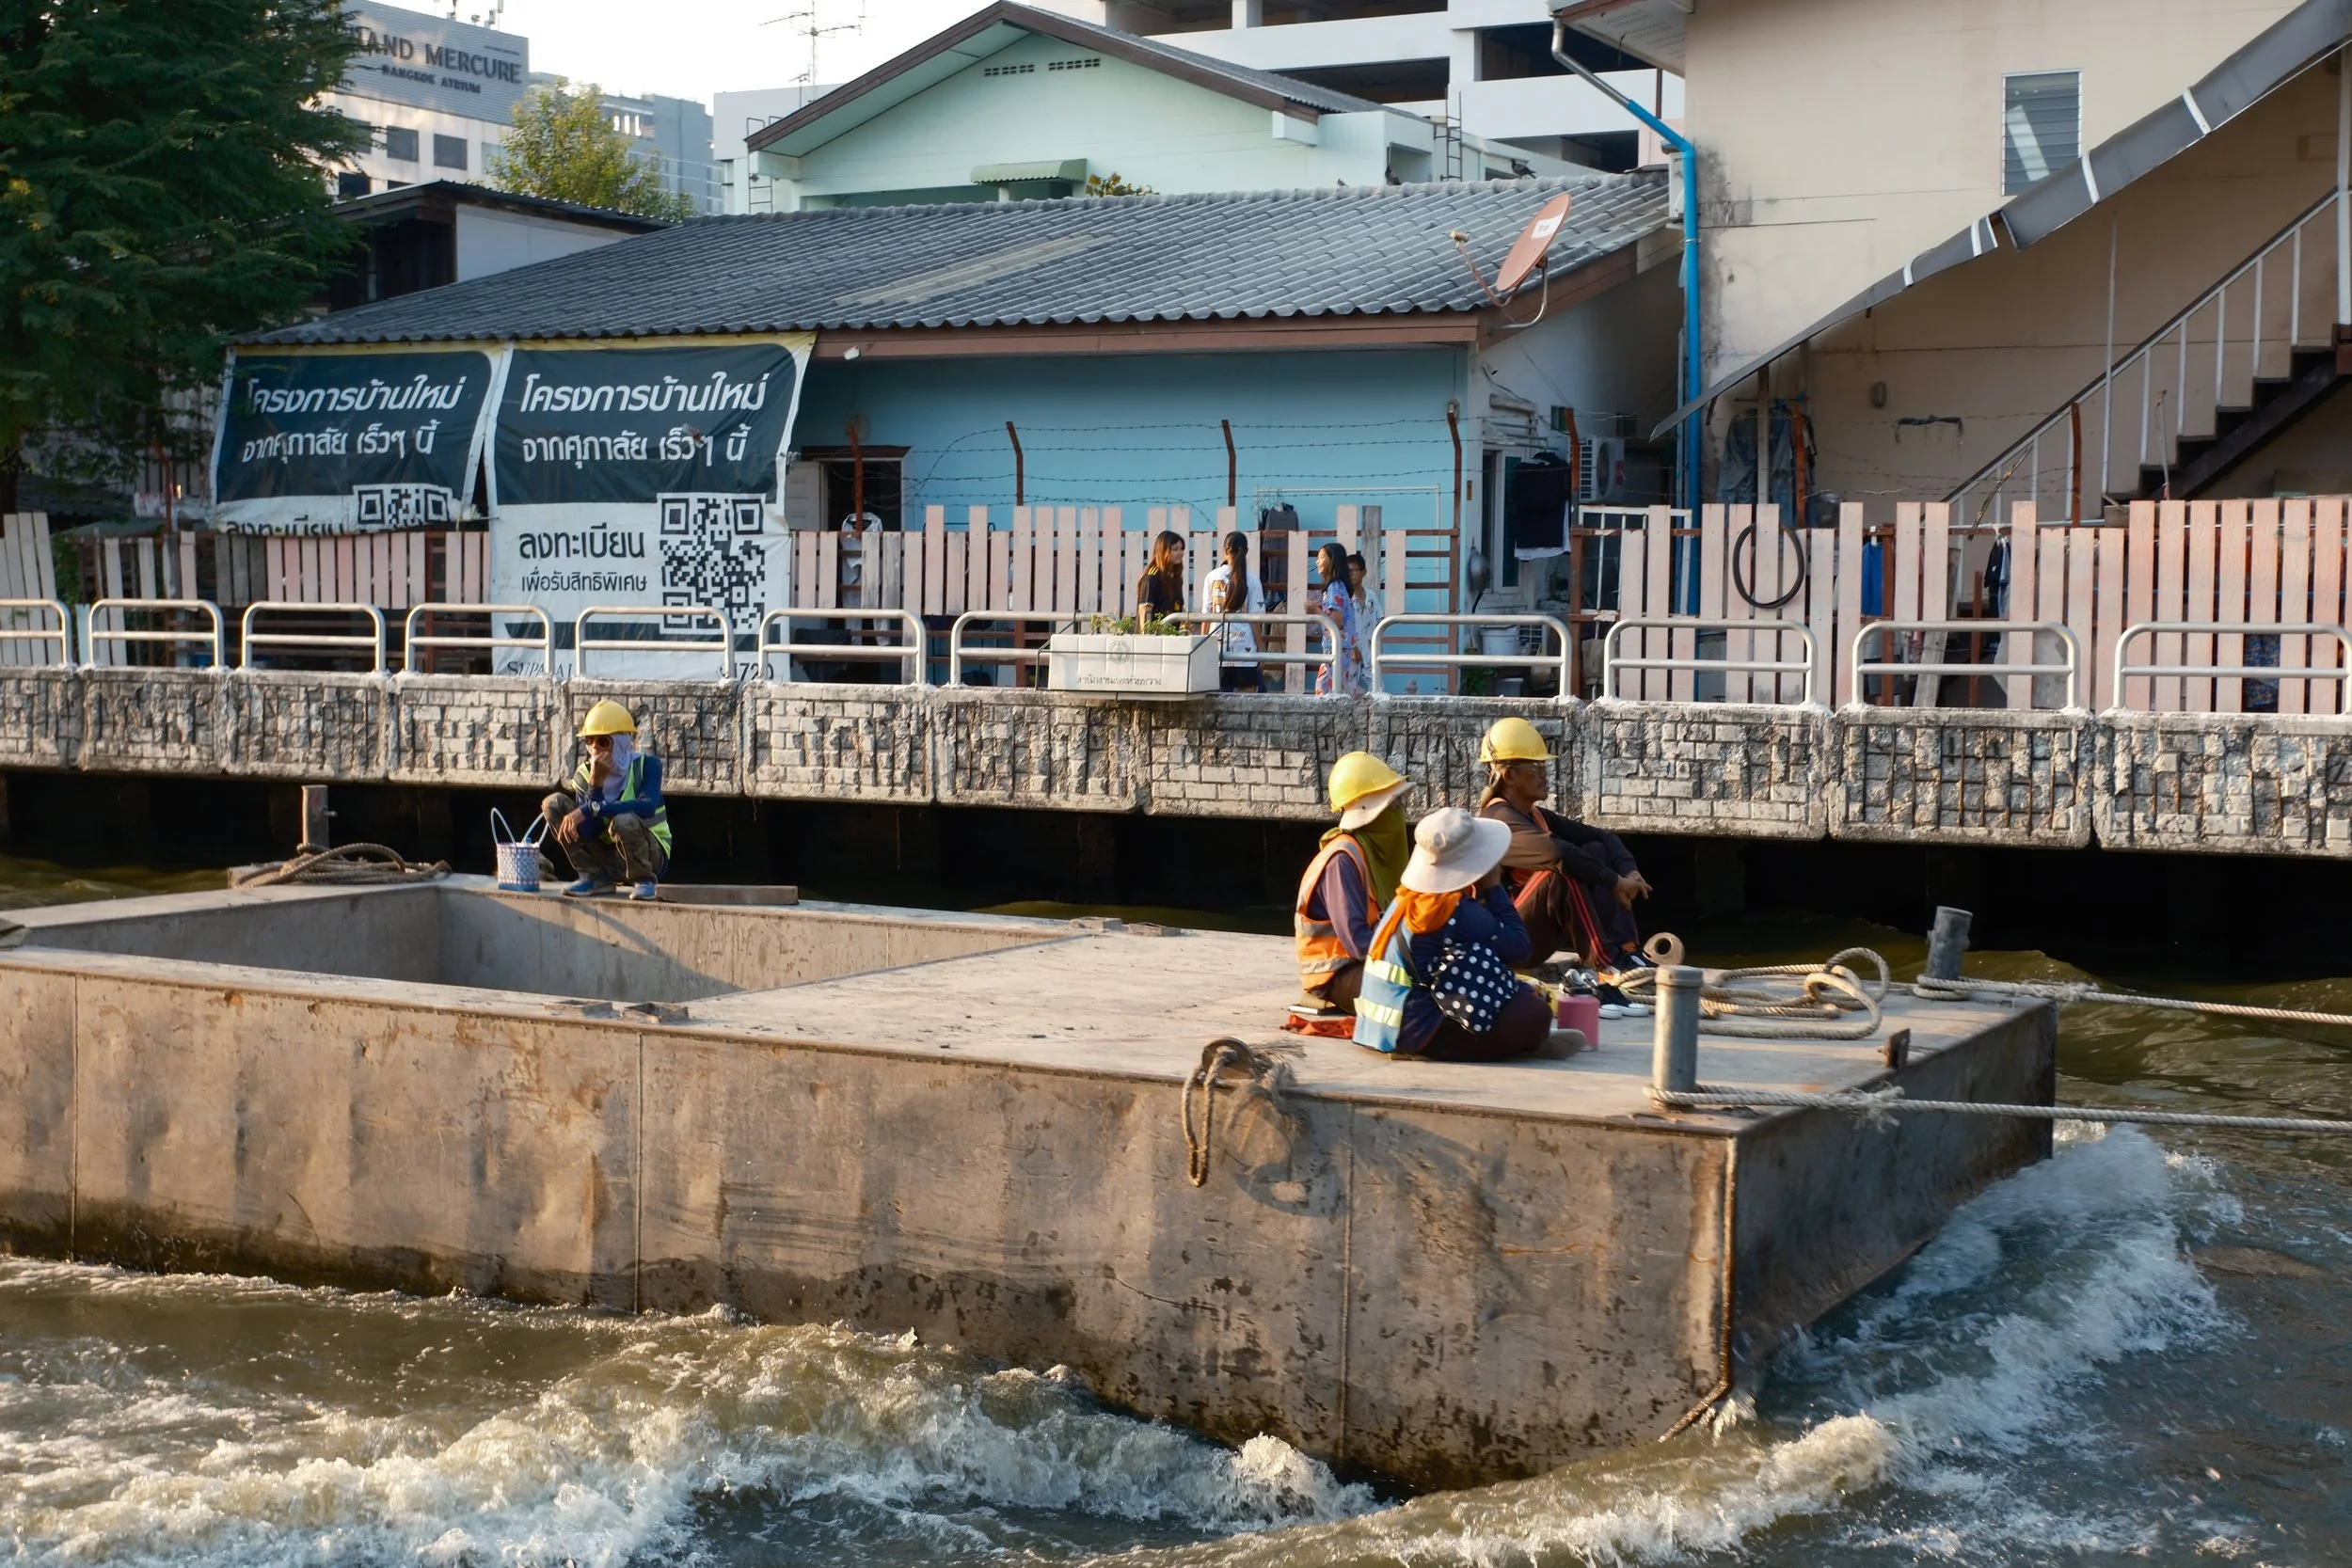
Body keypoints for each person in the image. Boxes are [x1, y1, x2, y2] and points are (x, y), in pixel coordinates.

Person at [1352, 807, 1561, 1060]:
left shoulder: (1405, 898)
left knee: (1518, 990)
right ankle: (1520, 1044)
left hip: (1376, 1028)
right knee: (1535, 1014)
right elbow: (1520, 948)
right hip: (1417, 1029)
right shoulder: (1455, 909)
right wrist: (1494, 888)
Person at [1474, 717, 1650, 971]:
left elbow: (1603, 836)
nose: (1544, 773)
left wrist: (1628, 870)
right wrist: (1614, 881)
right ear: (1510, 775)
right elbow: (1558, 853)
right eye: (1535, 767)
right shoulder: (1498, 821)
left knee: (1594, 850)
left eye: (1544, 765)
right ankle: (1606, 963)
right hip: (1503, 945)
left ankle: (1626, 950)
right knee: (1559, 872)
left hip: (1526, 938)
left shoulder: (1535, 816)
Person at [1293, 752, 1411, 1012]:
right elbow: (1357, 941)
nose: (1398, 814)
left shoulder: (1368, 854)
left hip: (1368, 960)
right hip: (1336, 973)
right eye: (1393, 806)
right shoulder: (1342, 860)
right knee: (1413, 998)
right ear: (1372, 812)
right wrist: (1410, 958)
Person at [543, 700, 672, 901]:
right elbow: (590, 831)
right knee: (553, 804)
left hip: (649, 855)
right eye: (589, 740)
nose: (595, 748)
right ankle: (594, 877)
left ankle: (644, 880)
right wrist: (595, 784)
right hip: (609, 855)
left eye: (603, 741)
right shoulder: (584, 775)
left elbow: (647, 807)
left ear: (620, 742)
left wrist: (592, 807)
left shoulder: (647, 766)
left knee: (624, 819)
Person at [1204, 531, 1265, 692]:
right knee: (1247, 698)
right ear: (1246, 551)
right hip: (1243, 645)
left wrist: (1203, 642)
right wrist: (1260, 647)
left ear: (1225, 550)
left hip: (1217, 645)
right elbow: (1254, 619)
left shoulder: (1211, 577)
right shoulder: (1251, 579)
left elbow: (1206, 615)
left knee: (1215, 698)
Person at [1311, 542, 1367, 695]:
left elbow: (1336, 621)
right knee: (1339, 691)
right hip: (1341, 648)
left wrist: (1315, 610)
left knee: (1324, 692)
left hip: (1336, 648)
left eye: (1321, 557)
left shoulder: (1334, 587)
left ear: (1333, 560)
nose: (1317, 562)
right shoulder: (1340, 586)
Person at [1136, 531, 1186, 625]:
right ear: (1163, 551)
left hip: (1173, 635)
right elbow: (1144, 610)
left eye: (1182, 549)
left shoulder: (1177, 578)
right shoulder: (1152, 577)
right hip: (1156, 635)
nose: (1180, 553)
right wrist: (1148, 636)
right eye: (1175, 549)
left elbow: (1178, 606)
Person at [1345, 551, 1383, 632]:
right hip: (1349, 644)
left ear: (1364, 572)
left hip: (1369, 643)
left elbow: (1380, 621)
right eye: (1348, 571)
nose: (1351, 574)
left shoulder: (1371, 595)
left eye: (1354, 570)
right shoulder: (1343, 596)